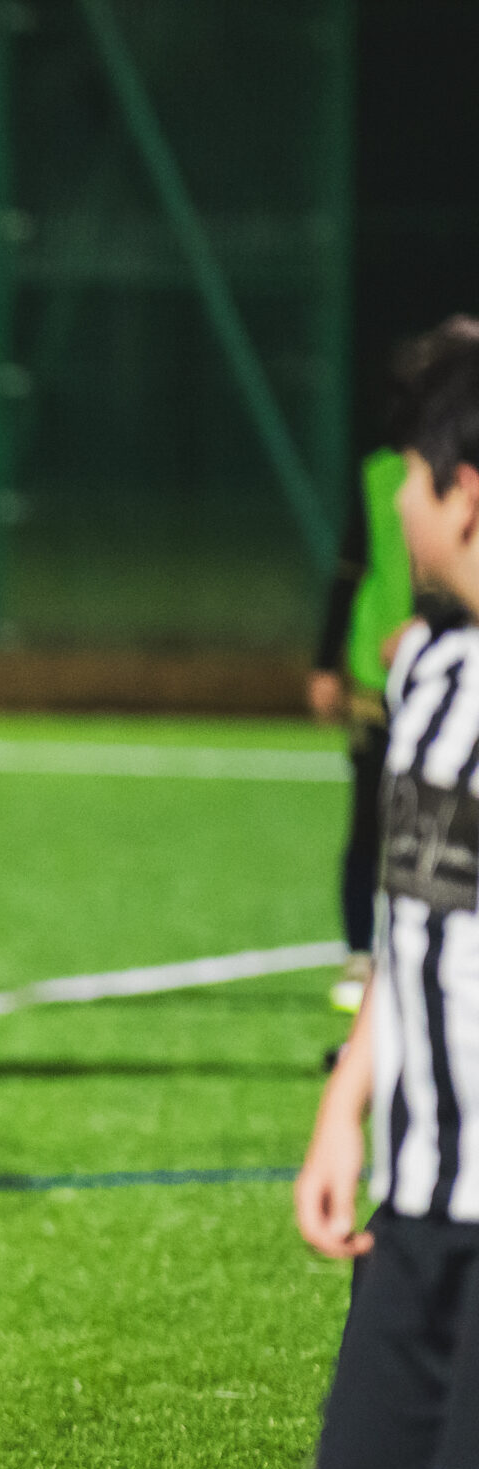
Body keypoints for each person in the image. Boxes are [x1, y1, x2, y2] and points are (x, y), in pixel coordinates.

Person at [197, 337, 479, 1469]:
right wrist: (344, 1101)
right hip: (418, 1197)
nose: (396, 510)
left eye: (412, 486)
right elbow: (417, 920)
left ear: (464, 495)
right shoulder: (427, 672)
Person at [310, 318, 479, 1016]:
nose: (404, 498)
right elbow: (351, 570)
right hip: (380, 681)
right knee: (380, 832)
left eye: (418, 479)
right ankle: (359, 950)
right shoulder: (440, 673)